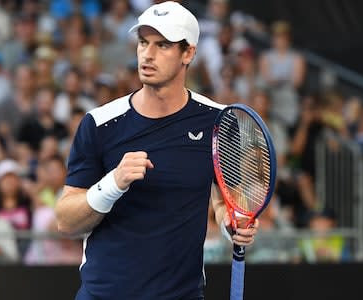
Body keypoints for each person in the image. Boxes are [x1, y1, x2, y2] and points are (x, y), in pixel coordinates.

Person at [55, 2, 258, 299]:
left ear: (188, 53)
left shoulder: (219, 122)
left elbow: (225, 199)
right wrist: (112, 184)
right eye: (142, 43)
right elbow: (66, 221)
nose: (147, 54)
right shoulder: (99, 123)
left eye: (163, 45)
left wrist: (231, 224)